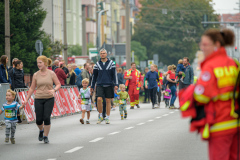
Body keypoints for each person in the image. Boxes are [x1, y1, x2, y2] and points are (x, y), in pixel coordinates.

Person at [180, 29, 240, 160]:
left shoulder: (211, 66)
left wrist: (191, 93)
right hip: (235, 122)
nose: (202, 48)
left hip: (219, 123)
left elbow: (201, 95)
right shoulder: (233, 64)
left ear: (217, 45)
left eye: (205, 45)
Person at [23, 55, 61, 143]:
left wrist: (54, 90)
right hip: (38, 98)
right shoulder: (36, 75)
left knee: (46, 117)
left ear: (45, 63)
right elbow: (32, 88)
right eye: (37, 63)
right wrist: (26, 99)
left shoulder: (51, 73)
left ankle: (45, 136)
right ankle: (41, 130)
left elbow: (58, 84)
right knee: (39, 120)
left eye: (40, 63)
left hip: (49, 98)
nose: (38, 64)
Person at [91, 48, 118, 124]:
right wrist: (92, 86)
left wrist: (116, 84)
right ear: (100, 55)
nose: (102, 54)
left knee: (108, 100)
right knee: (99, 99)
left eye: (104, 53)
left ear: (106, 54)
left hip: (109, 84)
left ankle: (107, 117)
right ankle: (100, 115)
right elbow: (94, 76)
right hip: (99, 84)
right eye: (101, 53)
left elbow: (114, 74)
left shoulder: (111, 63)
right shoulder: (97, 64)